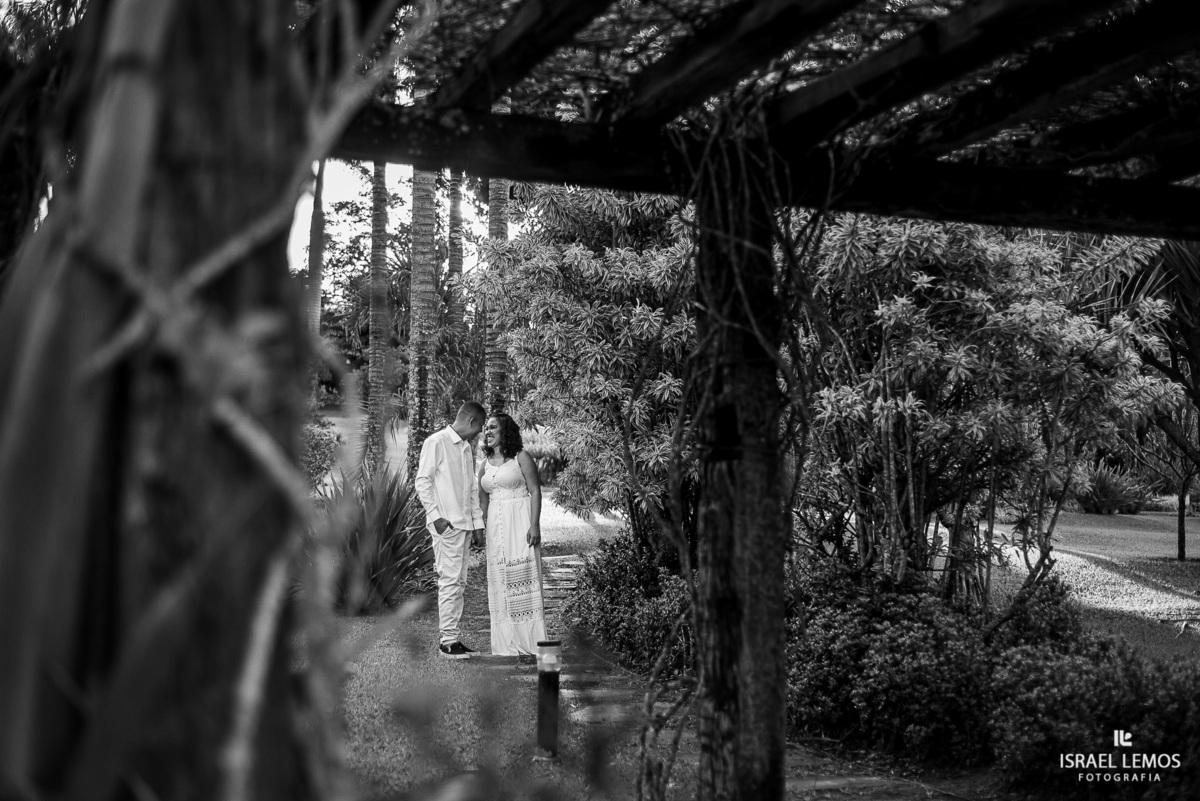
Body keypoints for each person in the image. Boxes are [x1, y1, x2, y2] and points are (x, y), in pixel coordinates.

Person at [414, 401, 487, 659]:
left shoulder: (466, 448)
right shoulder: (437, 442)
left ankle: (453, 637)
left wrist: (478, 525)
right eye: (479, 427)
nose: (480, 433)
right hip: (447, 526)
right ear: (471, 421)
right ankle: (447, 642)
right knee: (449, 581)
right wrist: (436, 518)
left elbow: (470, 491)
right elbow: (422, 481)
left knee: (461, 583)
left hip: (465, 526)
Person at [478, 413, 547, 656]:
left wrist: (535, 525)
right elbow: (483, 499)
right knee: (501, 580)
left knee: (523, 576)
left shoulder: (521, 457)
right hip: (496, 529)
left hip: (519, 522)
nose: (487, 431)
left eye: (493, 427)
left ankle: (532, 643)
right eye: (486, 427)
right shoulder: (484, 465)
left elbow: (535, 491)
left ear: (505, 431)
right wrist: (479, 527)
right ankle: (505, 644)